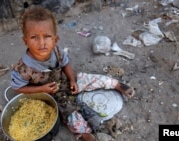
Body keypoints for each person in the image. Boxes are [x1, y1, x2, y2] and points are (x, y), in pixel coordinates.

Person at [10, 6, 135, 141]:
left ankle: (116, 85)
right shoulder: (23, 68)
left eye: (47, 36)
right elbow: (17, 88)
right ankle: (84, 133)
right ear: (25, 41)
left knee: (89, 78)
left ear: (55, 39)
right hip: (51, 93)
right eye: (34, 37)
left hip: (65, 80)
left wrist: (72, 80)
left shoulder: (57, 51)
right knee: (68, 112)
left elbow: (65, 64)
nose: (42, 43)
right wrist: (42, 89)